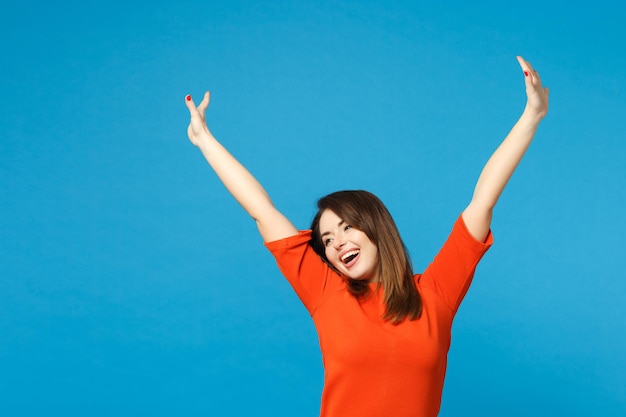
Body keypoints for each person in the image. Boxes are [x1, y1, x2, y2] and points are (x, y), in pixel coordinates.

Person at [184, 56, 549, 417]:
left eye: (346, 228)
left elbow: (483, 201)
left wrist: (531, 115)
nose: (337, 242)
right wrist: (204, 140)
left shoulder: (436, 295)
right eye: (326, 240)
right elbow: (261, 210)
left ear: (376, 229)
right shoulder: (326, 293)